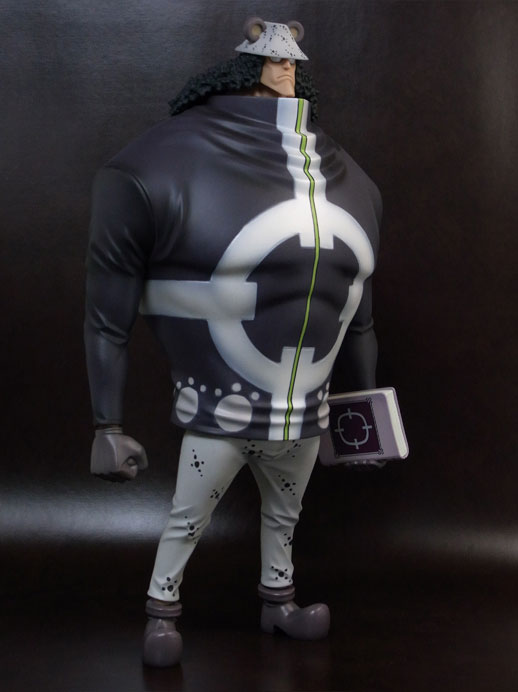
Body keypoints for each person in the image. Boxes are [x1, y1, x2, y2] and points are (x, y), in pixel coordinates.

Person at [84, 18, 382, 667]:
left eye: (293, 58)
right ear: (248, 66)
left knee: (284, 518)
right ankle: (162, 611)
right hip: (219, 412)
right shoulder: (153, 166)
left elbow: (357, 312)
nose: (286, 67)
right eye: (275, 59)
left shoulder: (352, 182)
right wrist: (107, 424)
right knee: (187, 519)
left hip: (304, 417)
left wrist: (364, 420)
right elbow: (107, 317)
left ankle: (280, 602)